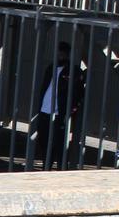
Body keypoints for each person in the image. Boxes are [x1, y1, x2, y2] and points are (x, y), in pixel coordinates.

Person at [29, 41, 85, 171]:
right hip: (45, 111)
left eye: (63, 53)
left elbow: (78, 92)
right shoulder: (51, 68)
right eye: (59, 53)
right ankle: (46, 167)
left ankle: (60, 168)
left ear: (67, 54)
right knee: (44, 140)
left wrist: (71, 110)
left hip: (60, 112)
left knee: (59, 143)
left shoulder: (74, 71)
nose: (60, 56)